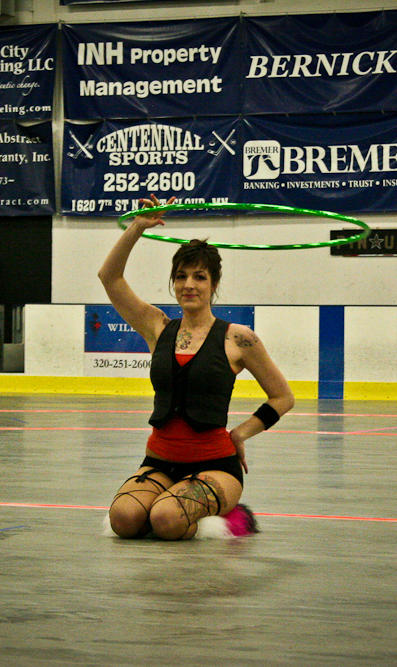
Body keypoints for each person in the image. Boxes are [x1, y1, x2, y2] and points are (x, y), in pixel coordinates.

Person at [98, 195, 295, 540]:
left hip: (216, 466)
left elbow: (282, 396)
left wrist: (241, 433)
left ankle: (234, 516)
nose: (189, 284)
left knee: (166, 520)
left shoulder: (238, 338)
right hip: (159, 462)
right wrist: (138, 227)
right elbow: (109, 277)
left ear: (213, 284)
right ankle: (171, 502)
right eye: (181, 276)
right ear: (173, 283)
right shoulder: (157, 327)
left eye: (199, 277)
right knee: (124, 520)